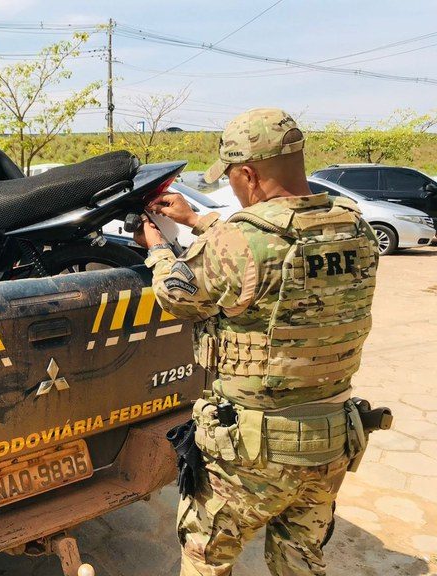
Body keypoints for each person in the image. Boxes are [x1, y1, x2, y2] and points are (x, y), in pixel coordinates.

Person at [133, 108, 379, 576]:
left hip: (252, 450)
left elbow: (177, 296)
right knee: (301, 562)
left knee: (207, 560)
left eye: (231, 176)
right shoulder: (356, 228)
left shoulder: (240, 241)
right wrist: (199, 221)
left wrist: (159, 249)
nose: (233, 186)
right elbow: (274, 249)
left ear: (248, 174)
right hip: (332, 437)